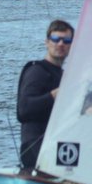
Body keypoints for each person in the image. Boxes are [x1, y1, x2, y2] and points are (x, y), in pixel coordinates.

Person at [17, 19, 73, 170]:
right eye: (56, 39)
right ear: (47, 42)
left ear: (71, 46)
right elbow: (23, 110)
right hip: (35, 146)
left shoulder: (66, 76)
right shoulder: (37, 71)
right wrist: (53, 96)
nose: (60, 44)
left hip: (60, 145)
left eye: (66, 40)